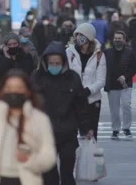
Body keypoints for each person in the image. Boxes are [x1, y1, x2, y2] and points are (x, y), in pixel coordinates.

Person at [0, 69, 56, 185]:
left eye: (19, 88)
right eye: (9, 88)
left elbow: (49, 154)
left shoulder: (39, 119)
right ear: (2, 90)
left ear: (27, 91)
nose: (14, 92)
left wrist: (31, 161)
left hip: (26, 179)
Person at [31, 41, 93, 185]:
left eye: (57, 63)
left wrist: (86, 128)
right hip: (44, 134)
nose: (54, 66)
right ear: (45, 62)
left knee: (67, 172)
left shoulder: (73, 78)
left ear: (63, 62)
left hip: (68, 133)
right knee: (49, 175)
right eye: (51, 63)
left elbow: (81, 105)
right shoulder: (37, 77)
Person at [66, 23, 106, 140]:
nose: (78, 37)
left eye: (81, 35)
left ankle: (90, 157)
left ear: (88, 37)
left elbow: (101, 80)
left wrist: (89, 90)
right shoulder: (70, 52)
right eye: (76, 35)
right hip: (74, 98)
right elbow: (67, 74)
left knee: (91, 135)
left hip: (92, 100)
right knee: (71, 134)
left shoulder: (99, 55)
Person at [104, 31, 136, 139]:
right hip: (112, 85)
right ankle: (115, 130)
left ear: (124, 40)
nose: (117, 40)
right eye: (115, 38)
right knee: (114, 110)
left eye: (119, 38)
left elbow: (134, 68)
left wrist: (126, 76)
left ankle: (127, 128)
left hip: (126, 85)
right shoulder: (107, 52)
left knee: (126, 106)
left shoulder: (129, 52)